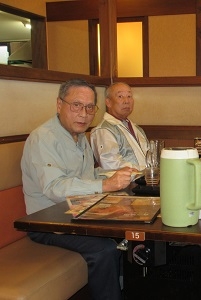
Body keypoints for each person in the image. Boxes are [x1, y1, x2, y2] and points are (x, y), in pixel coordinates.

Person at [21, 79, 134, 300]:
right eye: (76, 105)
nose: (84, 113)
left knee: (129, 232)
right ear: (59, 105)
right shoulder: (43, 138)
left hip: (79, 214)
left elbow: (87, 178)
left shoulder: (80, 136)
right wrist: (105, 184)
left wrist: (120, 175)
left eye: (90, 107)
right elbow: (55, 187)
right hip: (49, 223)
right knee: (105, 248)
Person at [91, 82, 149, 171]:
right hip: (127, 184)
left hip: (146, 180)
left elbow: (149, 156)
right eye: (120, 96)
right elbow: (110, 165)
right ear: (108, 102)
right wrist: (144, 171)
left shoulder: (137, 128)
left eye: (129, 96)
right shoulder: (104, 130)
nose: (126, 101)